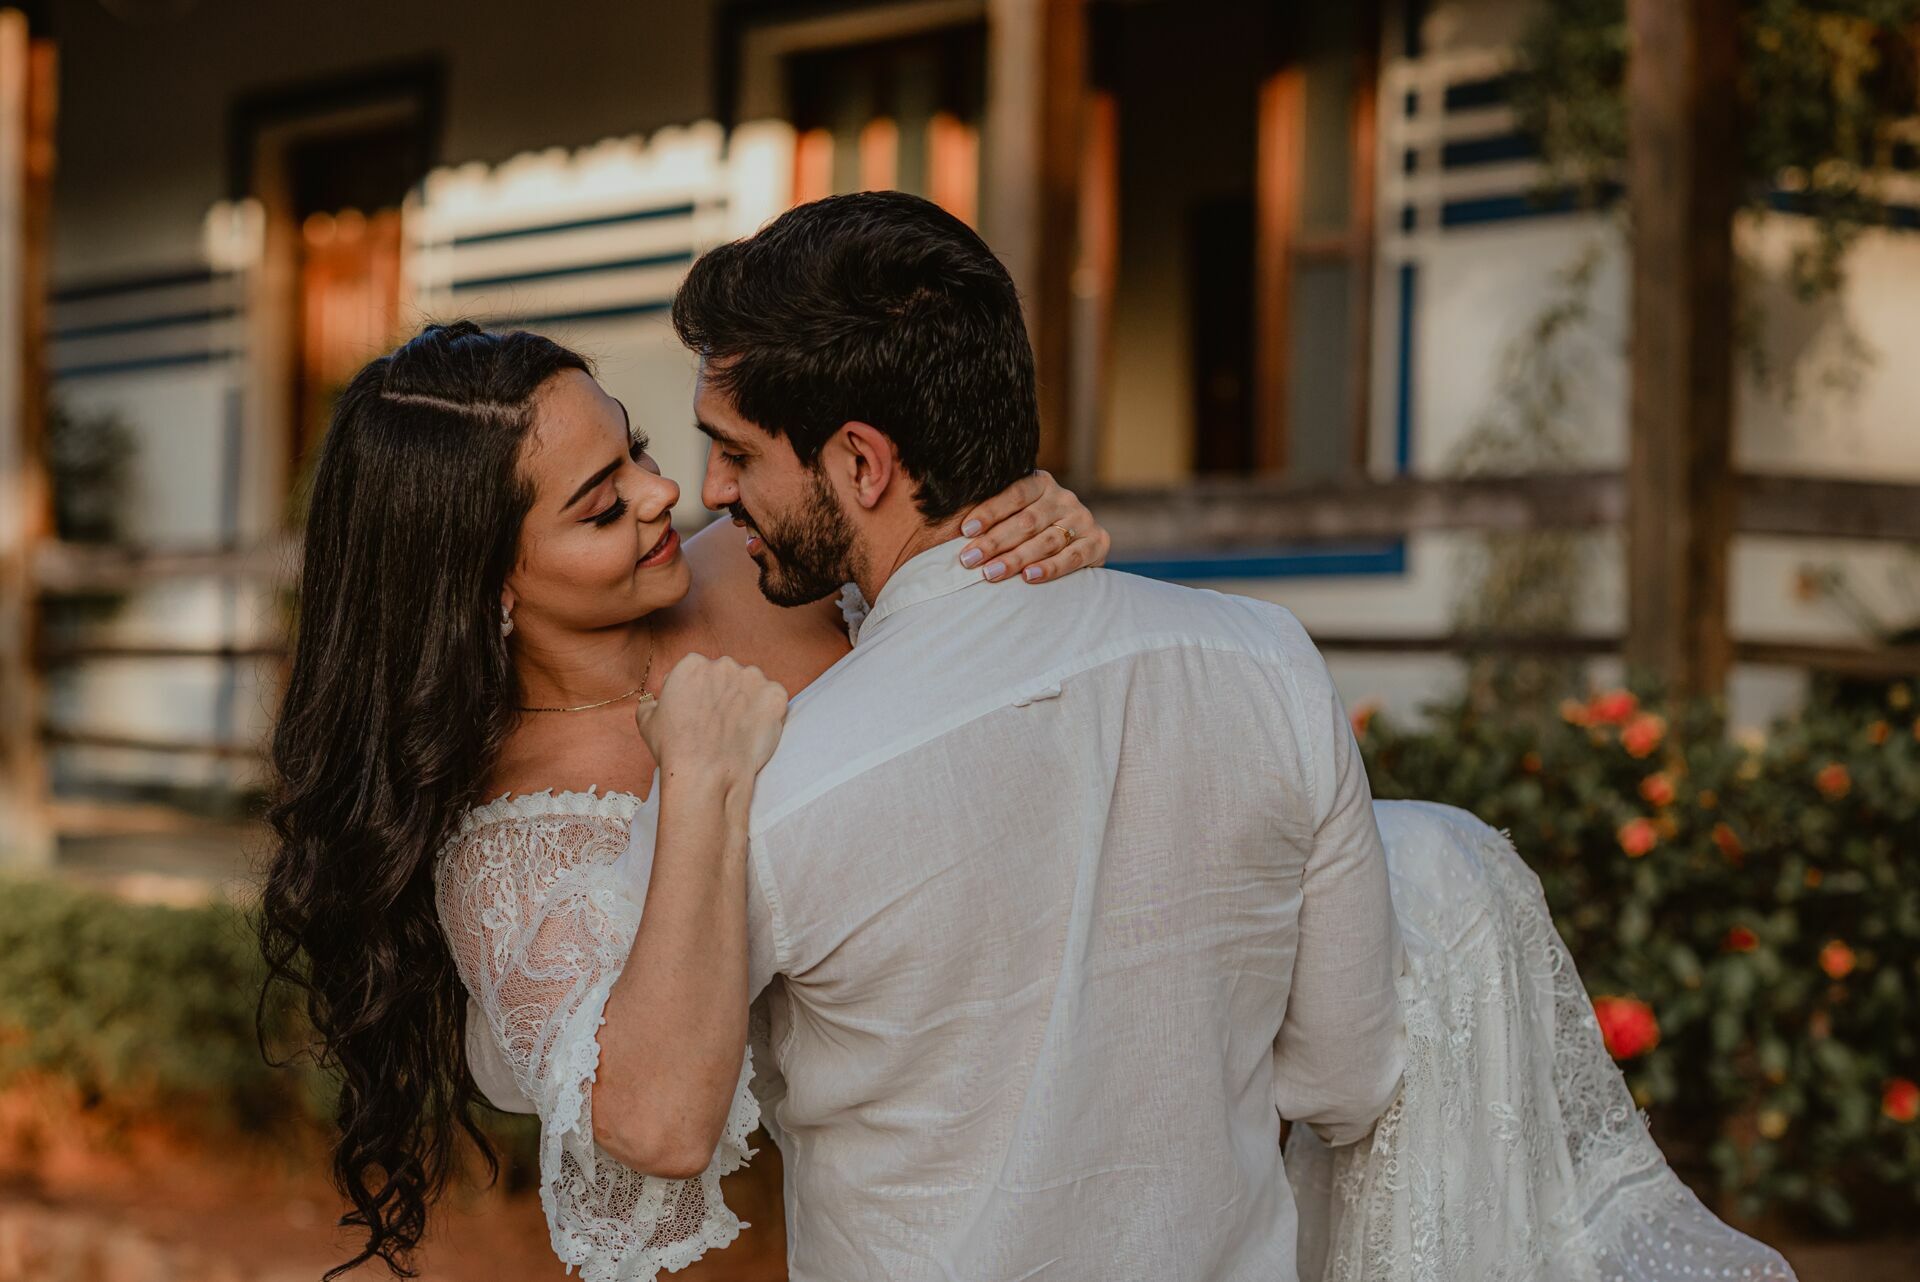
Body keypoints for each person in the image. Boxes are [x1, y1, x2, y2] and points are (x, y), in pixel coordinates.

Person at [669, 193, 1796, 1282]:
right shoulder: (1267, 662)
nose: (710, 488)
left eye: (734, 450)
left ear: (862, 463)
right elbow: (1349, 1080)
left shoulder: (780, 779)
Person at [255, 318, 1112, 1281]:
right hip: (924, 1205)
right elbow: (656, 1125)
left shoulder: (765, 567)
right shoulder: (515, 843)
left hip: (1103, 1036)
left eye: (638, 450)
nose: (663, 494)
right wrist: (698, 784)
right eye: (600, 507)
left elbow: (936, 589)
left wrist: (1022, 524)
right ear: (483, 579)